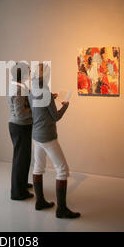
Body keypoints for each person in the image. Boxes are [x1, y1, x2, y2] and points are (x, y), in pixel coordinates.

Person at [29, 63, 81, 219]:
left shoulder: (32, 90)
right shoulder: (45, 91)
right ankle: (62, 209)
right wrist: (65, 106)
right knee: (62, 170)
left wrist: (51, 98)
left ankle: (40, 202)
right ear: (44, 75)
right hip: (47, 136)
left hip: (36, 135)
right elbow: (55, 117)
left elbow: (38, 109)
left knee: (38, 167)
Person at [7, 62, 34, 200]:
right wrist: (35, 110)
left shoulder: (17, 86)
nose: (29, 73)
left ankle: (21, 184)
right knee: (21, 159)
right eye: (28, 71)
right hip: (20, 126)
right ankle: (18, 192)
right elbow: (21, 113)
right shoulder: (18, 89)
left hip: (20, 126)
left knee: (23, 158)